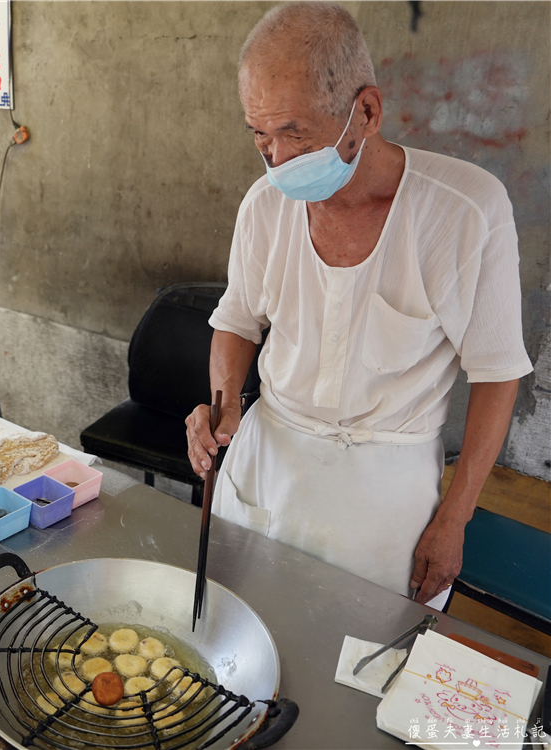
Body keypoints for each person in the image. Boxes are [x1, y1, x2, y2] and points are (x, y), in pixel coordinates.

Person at [185, 2, 532, 609]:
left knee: (359, 670)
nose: (277, 160)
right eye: (260, 135)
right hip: (271, 459)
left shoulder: (464, 212)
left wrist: (457, 516)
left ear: (366, 111)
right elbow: (238, 320)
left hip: (385, 490)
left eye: (294, 132)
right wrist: (223, 404)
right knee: (237, 642)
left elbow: (498, 373)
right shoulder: (264, 207)